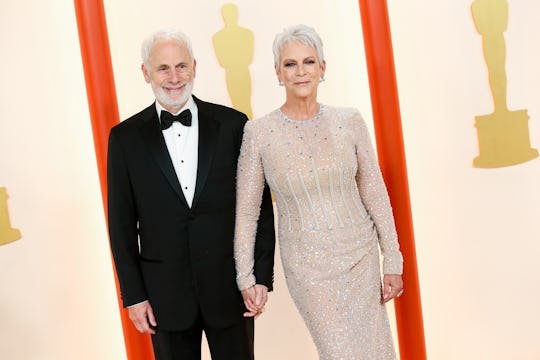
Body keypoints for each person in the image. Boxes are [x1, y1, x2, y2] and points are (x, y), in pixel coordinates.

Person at [234, 24, 403, 359]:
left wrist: (392, 258)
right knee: (339, 352)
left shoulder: (350, 121)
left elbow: (375, 192)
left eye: (309, 62)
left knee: (375, 351)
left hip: (361, 257)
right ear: (278, 72)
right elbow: (247, 211)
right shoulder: (259, 133)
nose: (301, 72)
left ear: (322, 68)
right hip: (308, 268)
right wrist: (245, 276)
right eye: (291, 64)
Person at [107, 29, 275, 360]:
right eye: (163, 68)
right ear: (145, 73)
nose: (174, 77)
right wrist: (134, 296)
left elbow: (259, 207)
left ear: (195, 67)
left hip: (231, 288)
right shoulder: (124, 139)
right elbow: (121, 224)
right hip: (163, 298)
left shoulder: (233, 125)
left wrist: (260, 275)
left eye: (182, 66)